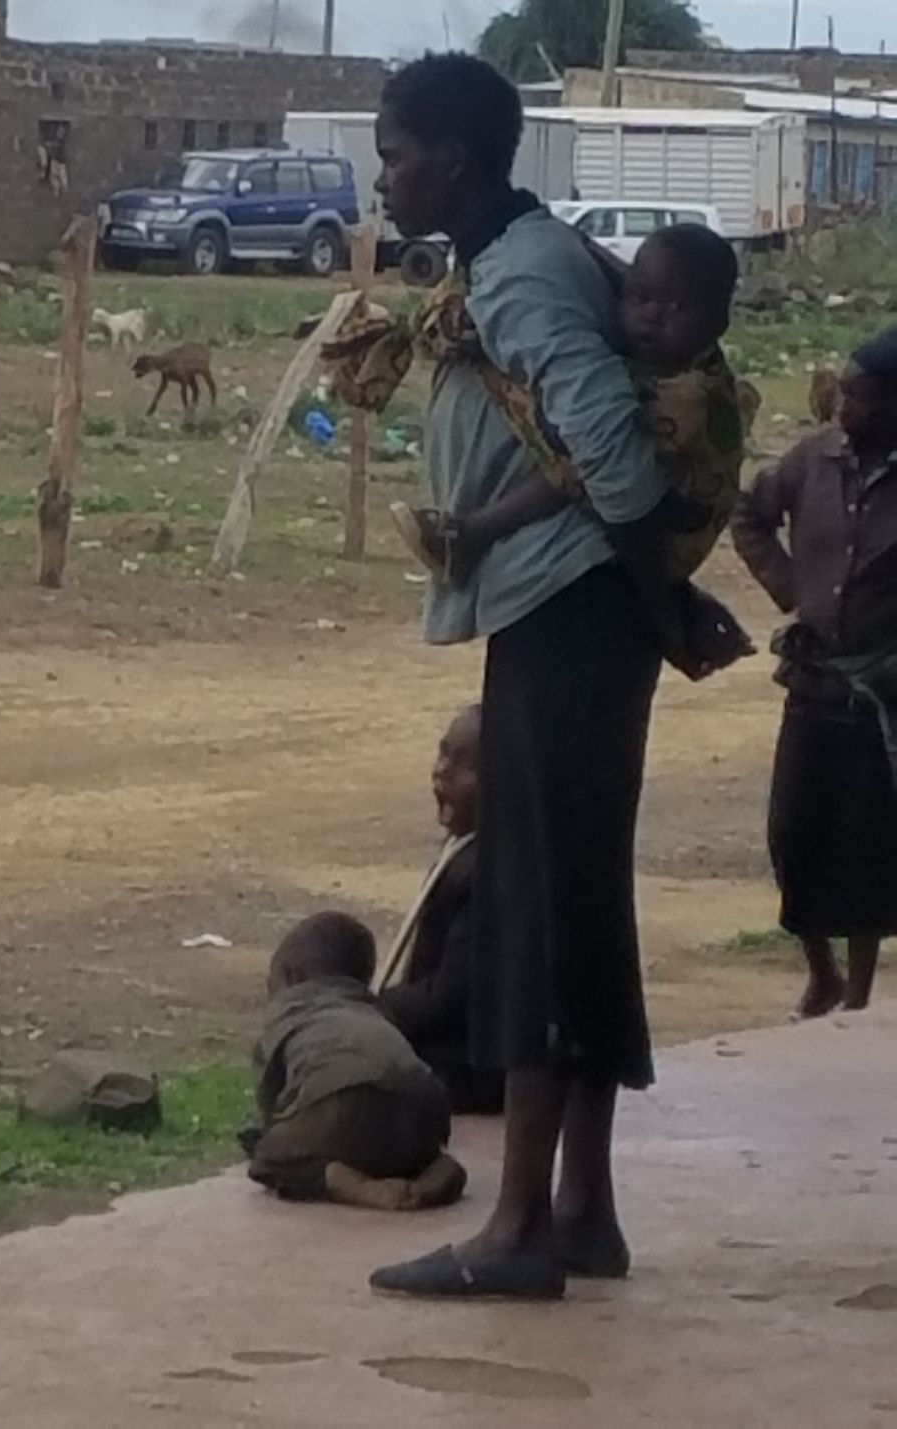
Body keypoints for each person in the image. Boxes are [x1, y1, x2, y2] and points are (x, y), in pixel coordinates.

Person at [366, 53, 736, 1303]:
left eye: (396, 153)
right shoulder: (528, 253)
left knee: (536, 907)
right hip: (580, 611)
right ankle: (581, 1207)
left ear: (454, 159)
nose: (384, 176)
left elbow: (611, 456)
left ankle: (520, 1223)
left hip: (567, 612)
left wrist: (655, 594)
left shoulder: (523, 271)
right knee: (576, 896)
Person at [390, 222, 745, 592]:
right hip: (646, 516)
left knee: (587, 450)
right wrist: (578, 242)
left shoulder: (692, 393)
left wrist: (494, 359)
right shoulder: (668, 352)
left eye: (677, 307)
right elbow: (617, 270)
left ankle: (471, 536)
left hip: (669, 540)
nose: (652, 315)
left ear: (719, 322)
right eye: (640, 297)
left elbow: (593, 441)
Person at [731, 329, 897, 1019]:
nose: (843, 407)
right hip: (812, 681)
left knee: (868, 841)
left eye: (861, 397)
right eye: (843, 393)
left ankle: (858, 991)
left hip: (880, 691)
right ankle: (821, 970)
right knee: (794, 832)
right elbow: (749, 515)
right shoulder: (812, 458)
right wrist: (792, 589)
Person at [246, 911, 467, 1211]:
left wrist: (277, 1129)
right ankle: (436, 1173)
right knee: (414, 1152)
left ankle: (348, 1184)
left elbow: (270, 1092)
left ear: (292, 977)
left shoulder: (290, 1010)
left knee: (269, 1154)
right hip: (423, 1105)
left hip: (340, 1106)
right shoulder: (376, 1011)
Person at [376, 705, 505, 1115]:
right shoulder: (464, 850)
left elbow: (448, 999)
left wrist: (371, 1006)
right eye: (443, 753)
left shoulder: (488, 871)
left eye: (464, 765)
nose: (441, 771)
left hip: (470, 1068)